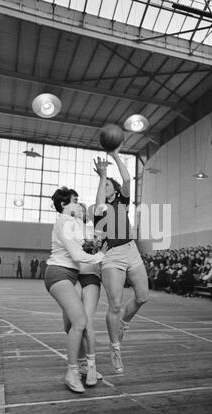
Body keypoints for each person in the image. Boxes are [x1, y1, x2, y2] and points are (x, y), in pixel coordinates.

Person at [44, 187, 107, 393]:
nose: (79, 204)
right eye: (74, 200)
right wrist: (100, 256)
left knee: (73, 323)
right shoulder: (64, 221)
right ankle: (71, 372)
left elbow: (91, 237)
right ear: (63, 205)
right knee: (80, 322)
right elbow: (77, 254)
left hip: (71, 274)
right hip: (59, 273)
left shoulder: (74, 223)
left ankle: (80, 366)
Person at [94, 148, 149, 375]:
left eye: (108, 184)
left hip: (131, 251)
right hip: (112, 256)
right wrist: (103, 175)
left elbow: (127, 179)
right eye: (103, 184)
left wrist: (115, 154)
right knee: (115, 305)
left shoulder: (123, 202)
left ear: (115, 191)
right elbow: (98, 201)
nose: (104, 186)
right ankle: (115, 347)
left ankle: (123, 324)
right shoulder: (101, 208)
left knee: (142, 297)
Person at [75, 202, 103, 382]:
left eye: (80, 210)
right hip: (71, 278)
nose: (77, 213)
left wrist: (98, 245)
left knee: (87, 322)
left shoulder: (94, 230)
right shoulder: (65, 231)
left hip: (91, 277)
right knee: (72, 326)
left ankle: (90, 365)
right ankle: (79, 363)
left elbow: (104, 251)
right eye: (74, 210)